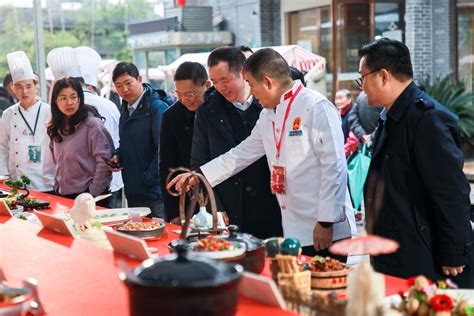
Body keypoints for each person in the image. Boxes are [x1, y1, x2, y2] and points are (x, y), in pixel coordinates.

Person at [169, 48, 356, 256]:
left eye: (251, 84)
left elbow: (334, 167)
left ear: (267, 82)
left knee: (328, 283)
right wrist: (199, 176)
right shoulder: (268, 114)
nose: (252, 92)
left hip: (325, 225)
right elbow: (242, 153)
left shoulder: (316, 106)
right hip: (294, 225)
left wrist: (326, 221)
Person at [359, 38, 473, 287]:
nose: (361, 87)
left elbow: (451, 192)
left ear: (383, 76)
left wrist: (455, 251)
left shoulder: (427, 119)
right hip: (395, 249)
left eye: (362, 78)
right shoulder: (392, 115)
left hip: (423, 253)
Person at [191, 47, 282, 239]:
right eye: (214, 82)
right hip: (229, 207)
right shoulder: (208, 110)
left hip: (271, 205)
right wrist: (214, 206)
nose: (220, 87)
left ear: (244, 74)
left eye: (225, 80)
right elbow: (200, 160)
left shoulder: (270, 106)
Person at [109, 62, 169, 217]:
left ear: (139, 79)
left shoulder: (156, 107)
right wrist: (118, 155)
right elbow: (127, 143)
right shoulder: (125, 108)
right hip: (133, 188)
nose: (125, 89)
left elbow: (164, 149)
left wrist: (148, 178)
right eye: (119, 86)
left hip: (154, 192)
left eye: (128, 83)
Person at [47, 77, 113, 207]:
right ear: (55, 101)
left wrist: (92, 193)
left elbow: (104, 162)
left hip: (89, 197)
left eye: (73, 97)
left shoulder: (92, 125)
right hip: (63, 195)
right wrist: (57, 185)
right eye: (63, 98)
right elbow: (57, 162)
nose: (69, 102)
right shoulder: (56, 127)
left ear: (80, 98)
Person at [159, 62, 210, 222]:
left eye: (190, 94)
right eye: (179, 94)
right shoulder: (171, 117)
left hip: (218, 195)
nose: (184, 100)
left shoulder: (220, 109)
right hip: (187, 197)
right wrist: (174, 213)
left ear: (207, 85)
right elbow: (167, 166)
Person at [75, 46, 124, 208]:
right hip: (112, 179)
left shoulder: (67, 108)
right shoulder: (110, 105)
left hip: (82, 184)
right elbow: (120, 138)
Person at [0, 51, 54, 192]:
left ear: (37, 87)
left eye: (29, 86)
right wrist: (4, 176)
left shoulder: (50, 111)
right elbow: (2, 147)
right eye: (19, 86)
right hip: (15, 182)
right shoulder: (8, 114)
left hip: (46, 181)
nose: (24, 91)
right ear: (13, 88)